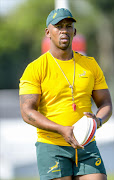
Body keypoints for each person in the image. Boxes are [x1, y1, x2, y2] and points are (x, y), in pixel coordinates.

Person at [19, 8, 112, 180]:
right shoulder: (35, 68)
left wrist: (97, 121)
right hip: (52, 146)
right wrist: (61, 129)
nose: (64, 30)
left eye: (68, 26)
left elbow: (106, 103)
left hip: (86, 144)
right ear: (48, 32)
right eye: (58, 26)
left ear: (74, 31)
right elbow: (27, 112)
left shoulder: (90, 65)